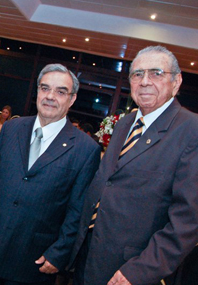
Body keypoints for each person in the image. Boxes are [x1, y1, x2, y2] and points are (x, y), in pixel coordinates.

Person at [71, 46, 198, 285]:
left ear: (177, 81)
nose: (145, 81)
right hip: (88, 254)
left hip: (132, 267)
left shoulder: (191, 130)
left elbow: (188, 220)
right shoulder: (124, 123)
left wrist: (141, 270)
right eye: (137, 74)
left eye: (156, 73)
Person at [0, 63, 101, 285]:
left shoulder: (86, 149)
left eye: (61, 91)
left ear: (72, 99)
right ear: (37, 92)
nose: (50, 96)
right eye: (45, 88)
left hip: (36, 259)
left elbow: (78, 210)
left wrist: (59, 253)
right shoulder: (11, 129)